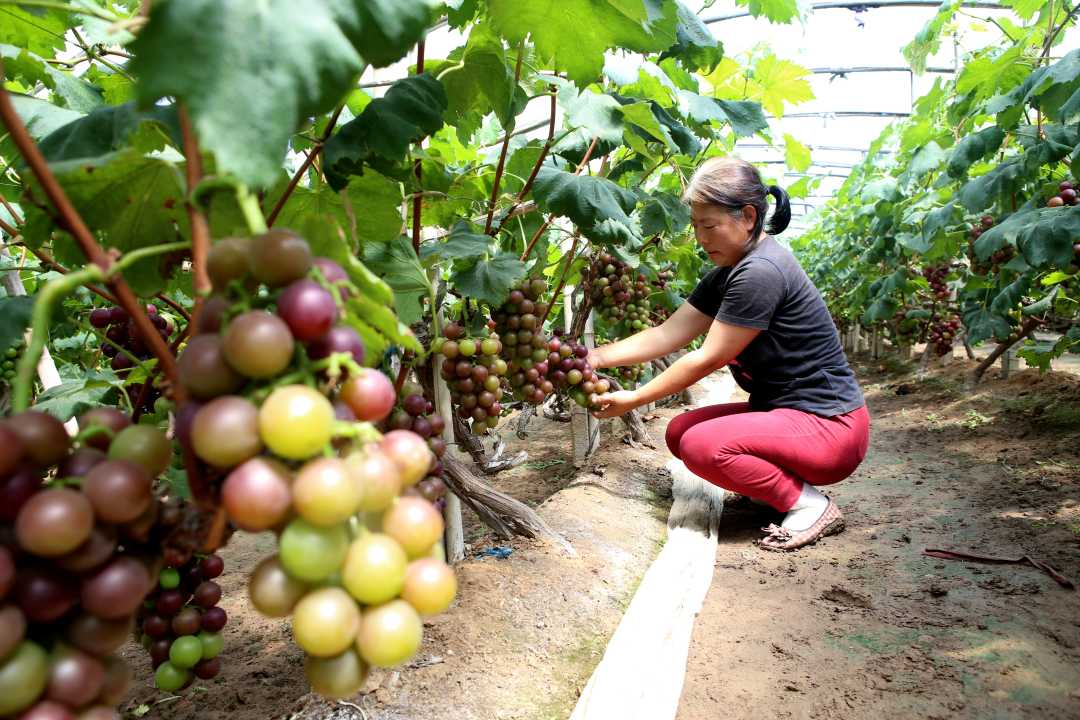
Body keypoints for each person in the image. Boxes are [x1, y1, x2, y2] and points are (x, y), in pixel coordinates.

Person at [590, 157, 870, 551]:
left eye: (709, 226)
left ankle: (810, 505)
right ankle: (773, 494)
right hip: (793, 417)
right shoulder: (729, 272)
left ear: (749, 216)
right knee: (680, 432)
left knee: (703, 446)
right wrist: (595, 358)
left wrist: (634, 399)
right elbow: (667, 333)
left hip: (830, 427)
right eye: (695, 227)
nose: (701, 238)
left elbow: (707, 358)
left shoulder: (761, 272)